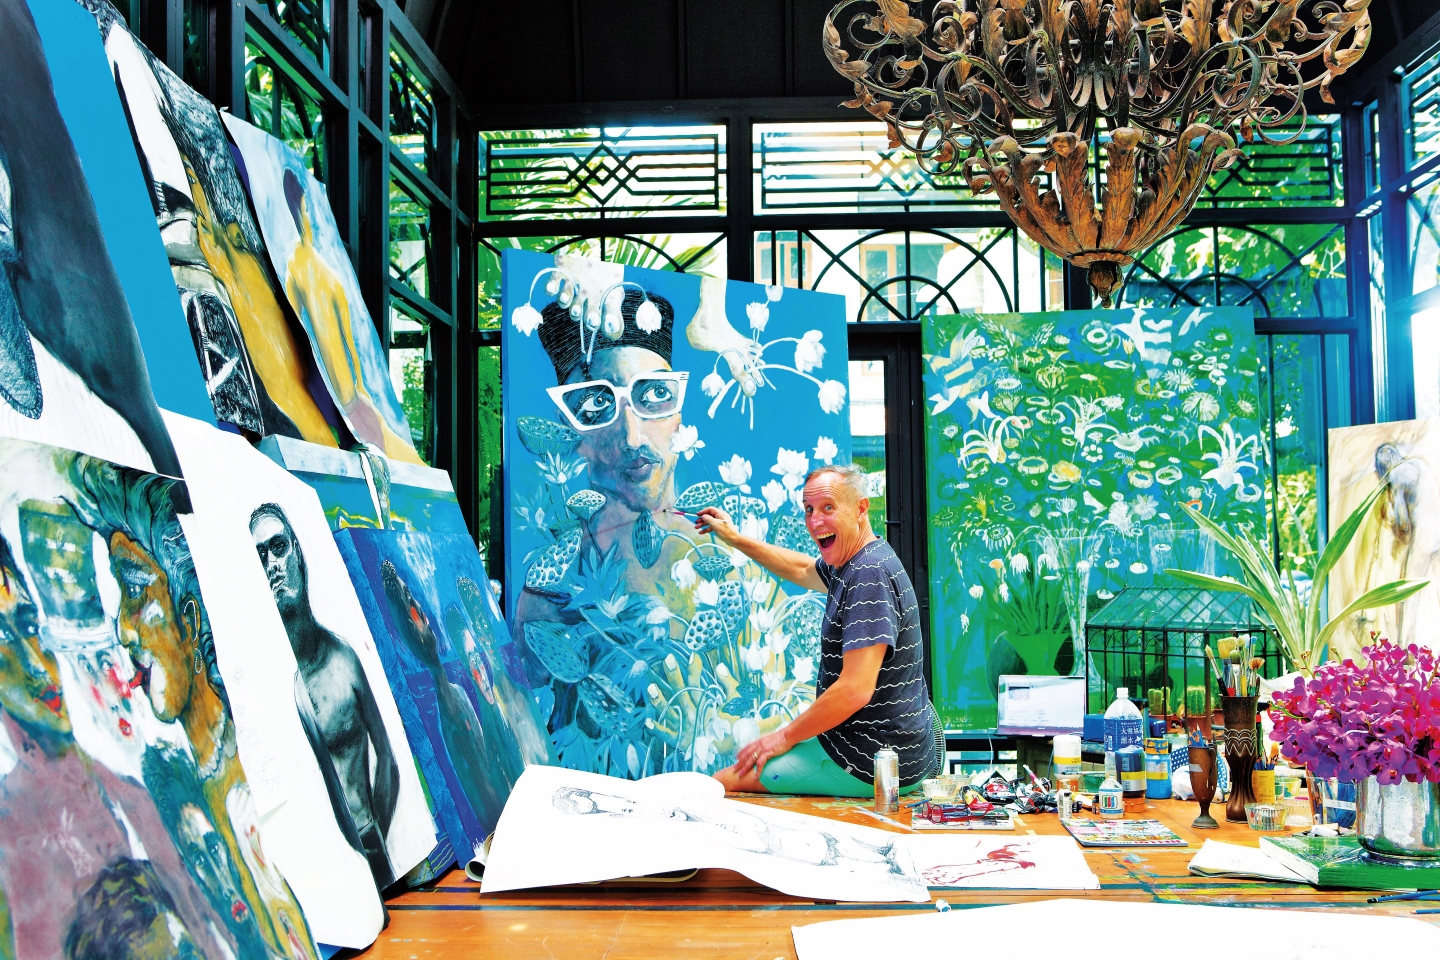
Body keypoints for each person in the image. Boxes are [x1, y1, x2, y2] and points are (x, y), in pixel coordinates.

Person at [696, 463, 938, 796]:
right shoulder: (857, 559)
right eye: (809, 509)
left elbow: (854, 689)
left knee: (723, 784)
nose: (814, 521)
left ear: (860, 509)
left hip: (871, 760)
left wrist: (783, 737)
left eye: (828, 508)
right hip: (887, 748)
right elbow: (801, 568)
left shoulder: (868, 574)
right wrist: (735, 539)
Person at [514, 257, 693, 634]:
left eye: (656, 394)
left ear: (680, 413)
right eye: (597, 404)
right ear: (568, 427)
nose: (633, 437)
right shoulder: (547, 600)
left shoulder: (726, 564)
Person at [249, 502, 400, 887]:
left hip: (369, 850)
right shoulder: (262, 685)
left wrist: (375, 846)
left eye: (278, 547)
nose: (272, 565)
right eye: (260, 556)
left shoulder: (343, 660)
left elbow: (388, 759)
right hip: (311, 876)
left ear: (298, 553)